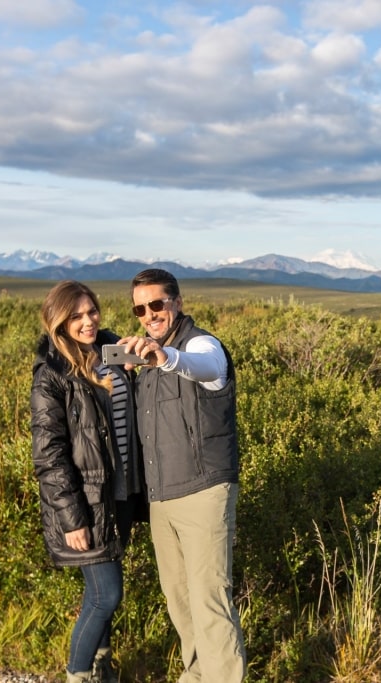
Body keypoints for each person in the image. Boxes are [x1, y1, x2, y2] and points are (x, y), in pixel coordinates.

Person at [117, 268, 246, 683]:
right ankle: (195, 676)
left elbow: (206, 366)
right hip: (162, 498)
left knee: (209, 600)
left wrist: (165, 357)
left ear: (178, 302)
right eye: (141, 308)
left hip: (204, 490)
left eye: (157, 304)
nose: (149, 314)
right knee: (180, 602)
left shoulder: (199, 344)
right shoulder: (146, 356)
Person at [30, 280, 144, 683]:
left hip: (122, 495)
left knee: (101, 597)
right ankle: (78, 675)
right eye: (76, 315)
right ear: (59, 321)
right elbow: (49, 455)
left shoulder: (114, 351)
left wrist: (136, 373)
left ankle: (103, 669)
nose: (88, 321)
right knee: (106, 594)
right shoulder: (52, 374)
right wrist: (72, 517)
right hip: (87, 504)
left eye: (92, 310)